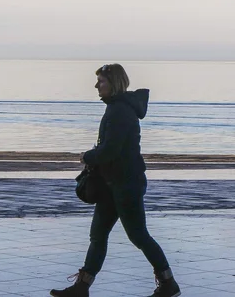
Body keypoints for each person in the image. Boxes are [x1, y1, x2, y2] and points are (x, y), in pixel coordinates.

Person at [51, 64, 180, 297]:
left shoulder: (120, 111)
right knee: (98, 236)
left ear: (114, 83)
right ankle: (82, 286)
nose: (96, 86)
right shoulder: (116, 108)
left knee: (138, 235)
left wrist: (87, 156)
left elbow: (111, 150)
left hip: (126, 184)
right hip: (112, 184)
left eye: (101, 81)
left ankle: (168, 283)